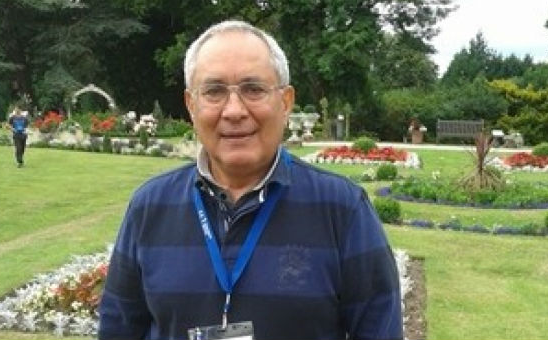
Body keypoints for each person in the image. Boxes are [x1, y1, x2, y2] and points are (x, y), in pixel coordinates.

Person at [99, 20, 402, 340]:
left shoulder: (342, 209)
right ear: (191, 105)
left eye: (253, 89)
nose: (233, 110)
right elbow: (119, 330)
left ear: (285, 102)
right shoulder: (149, 207)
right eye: (214, 91)